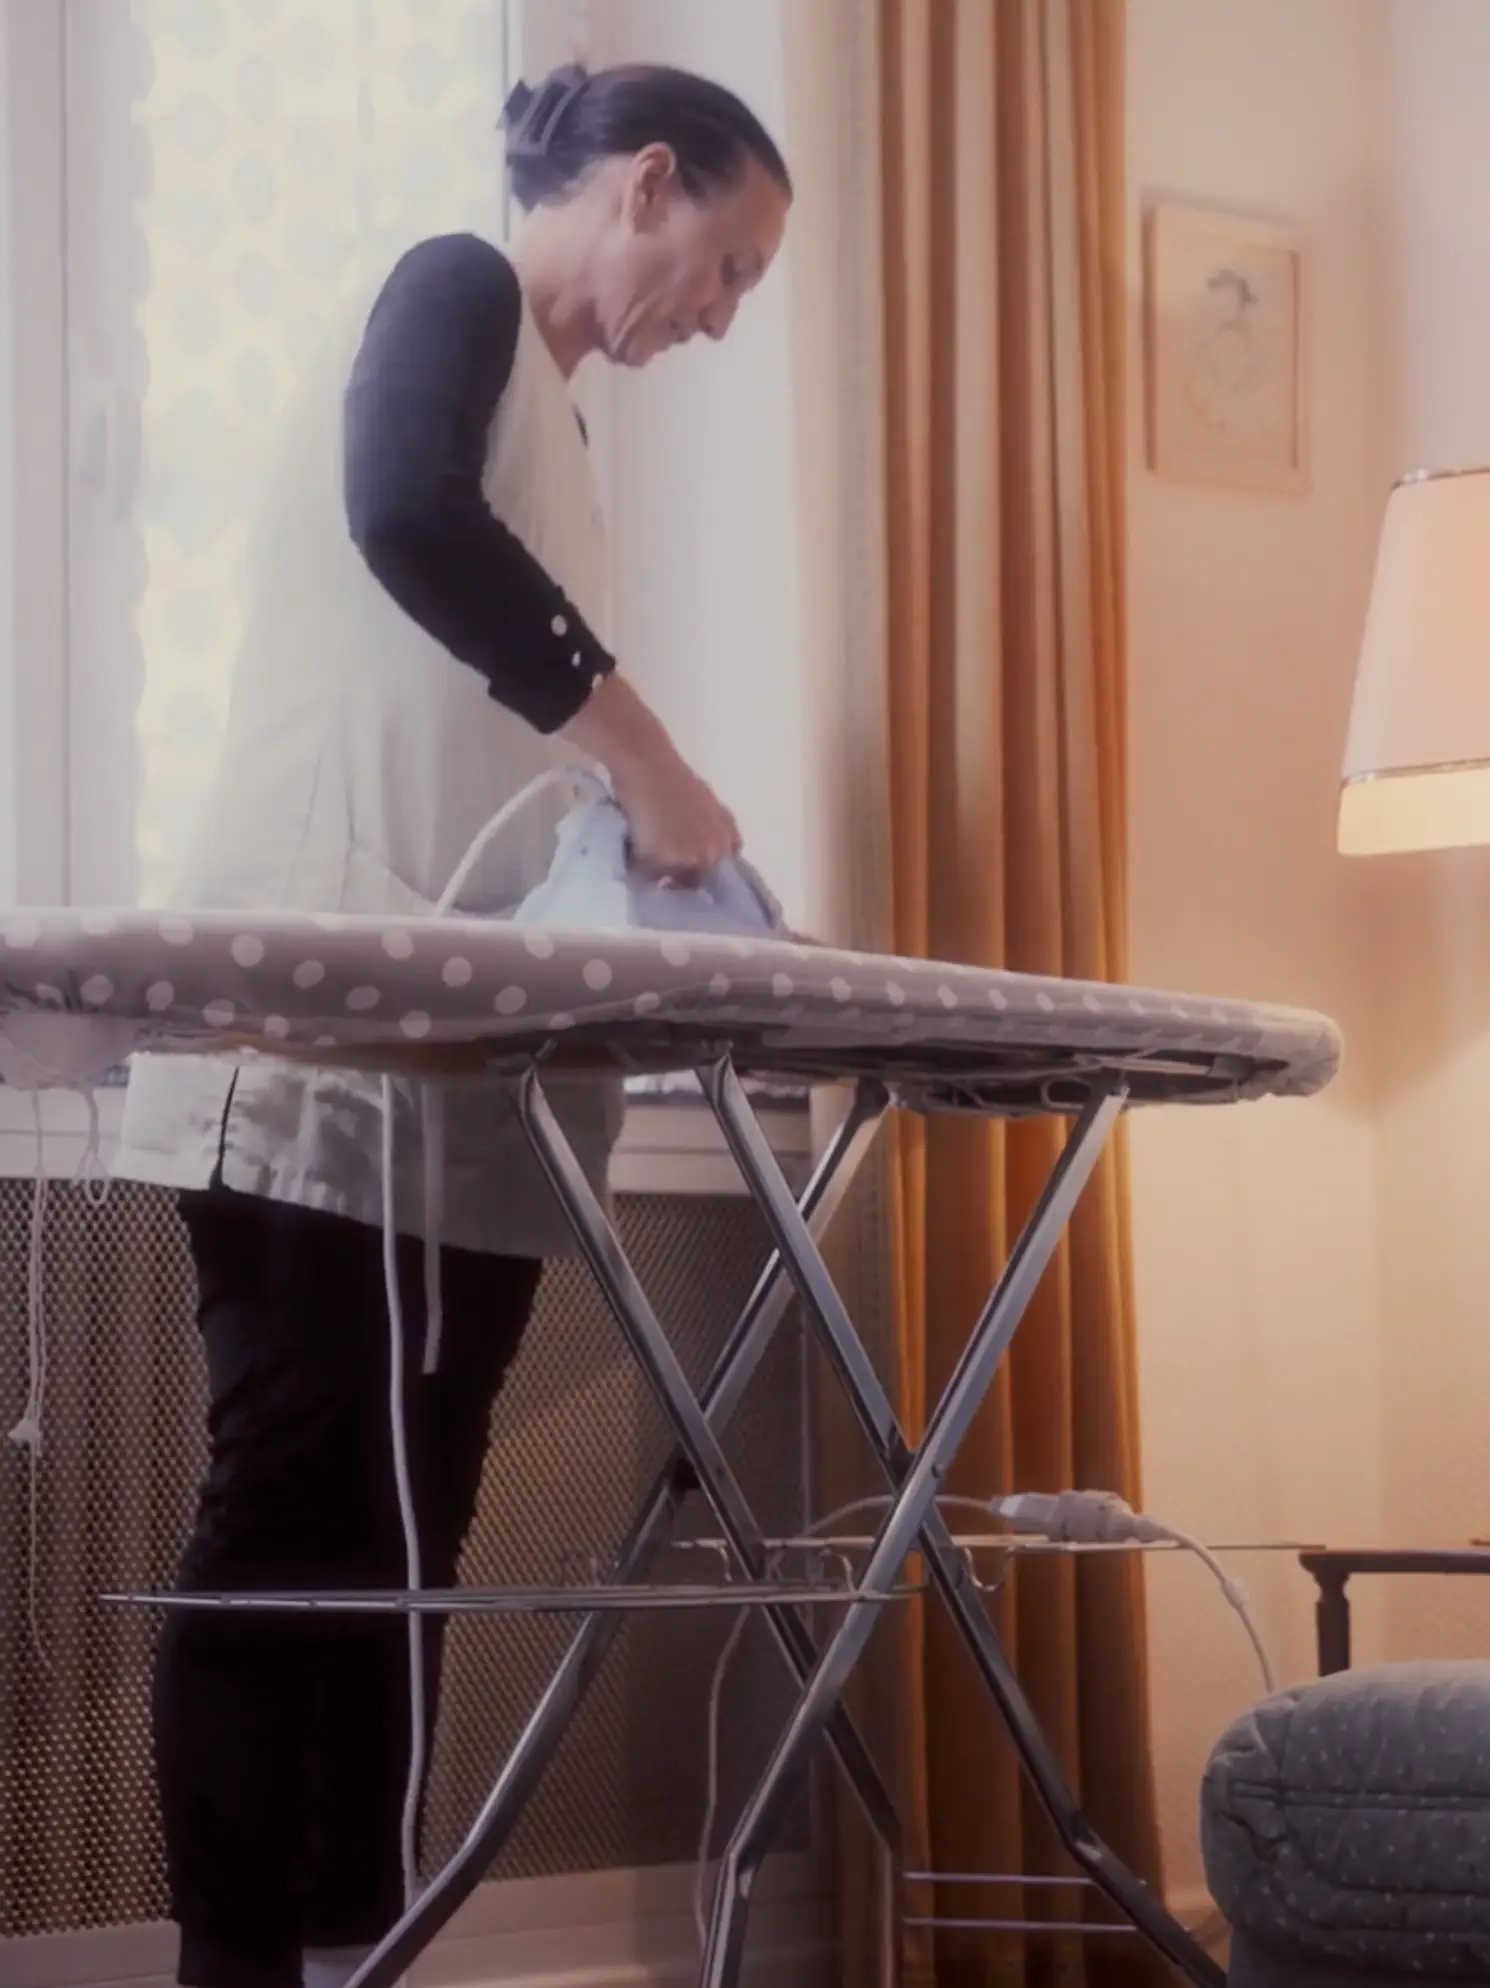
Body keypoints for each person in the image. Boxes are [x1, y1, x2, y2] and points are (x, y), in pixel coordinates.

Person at [111, 64, 791, 1988]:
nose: (720, 318)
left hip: (470, 1086)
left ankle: (361, 1946)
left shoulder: (563, 437)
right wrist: (644, 750)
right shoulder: (452, 289)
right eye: (727, 265)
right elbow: (401, 512)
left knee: (411, 1535)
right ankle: (239, 1966)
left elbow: (493, 724)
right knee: (293, 1507)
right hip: (314, 1048)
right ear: (645, 184)